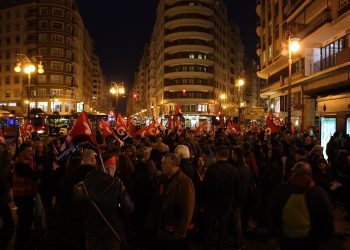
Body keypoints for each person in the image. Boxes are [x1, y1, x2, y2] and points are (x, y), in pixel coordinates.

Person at [72, 149, 134, 250]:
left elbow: (77, 211)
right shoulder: (116, 184)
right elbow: (129, 208)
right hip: (112, 235)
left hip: (91, 237)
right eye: (114, 168)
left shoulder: (82, 185)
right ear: (109, 168)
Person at [268, 162, 334, 250]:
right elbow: (328, 217)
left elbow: (272, 212)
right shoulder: (318, 193)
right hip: (310, 239)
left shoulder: (281, 190)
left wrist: (272, 234)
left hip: (285, 238)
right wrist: (323, 238)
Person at [145, 153, 195, 250]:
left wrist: (180, 231)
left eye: (165, 163)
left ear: (174, 165)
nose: (161, 166)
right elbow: (155, 203)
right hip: (161, 227)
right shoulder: (162, 180)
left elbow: (187, 209)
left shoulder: (185, 182)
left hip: (173, 229)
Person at [202, 145, 240, 250]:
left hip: (212, 204)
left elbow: (205, 188)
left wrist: (204, 202)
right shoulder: (234, 170)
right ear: (228, 155)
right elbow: (237, 189)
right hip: (226, 204)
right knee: (223, 230)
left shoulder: (211, 170)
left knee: (209, 229)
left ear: (217, 155)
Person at [13, 142, 40, 250]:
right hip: (22, 196)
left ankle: (25, 241)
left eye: (31, 151)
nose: (31, 153)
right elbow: (34, 176)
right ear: (21, 152)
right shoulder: (20, 164)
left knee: (28, 220)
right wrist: (38, 175)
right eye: (28, 151)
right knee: (23, 222)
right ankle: (20, 244)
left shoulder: (28, 162)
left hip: (27, 195)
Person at [0, 143, 15, 231]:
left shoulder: (3, 158)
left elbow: (3, 174)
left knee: (4, 206)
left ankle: (9, 225)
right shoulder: (6, 157)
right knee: (4, 206)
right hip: (4, 185)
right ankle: (9, 224)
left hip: (2, 185)